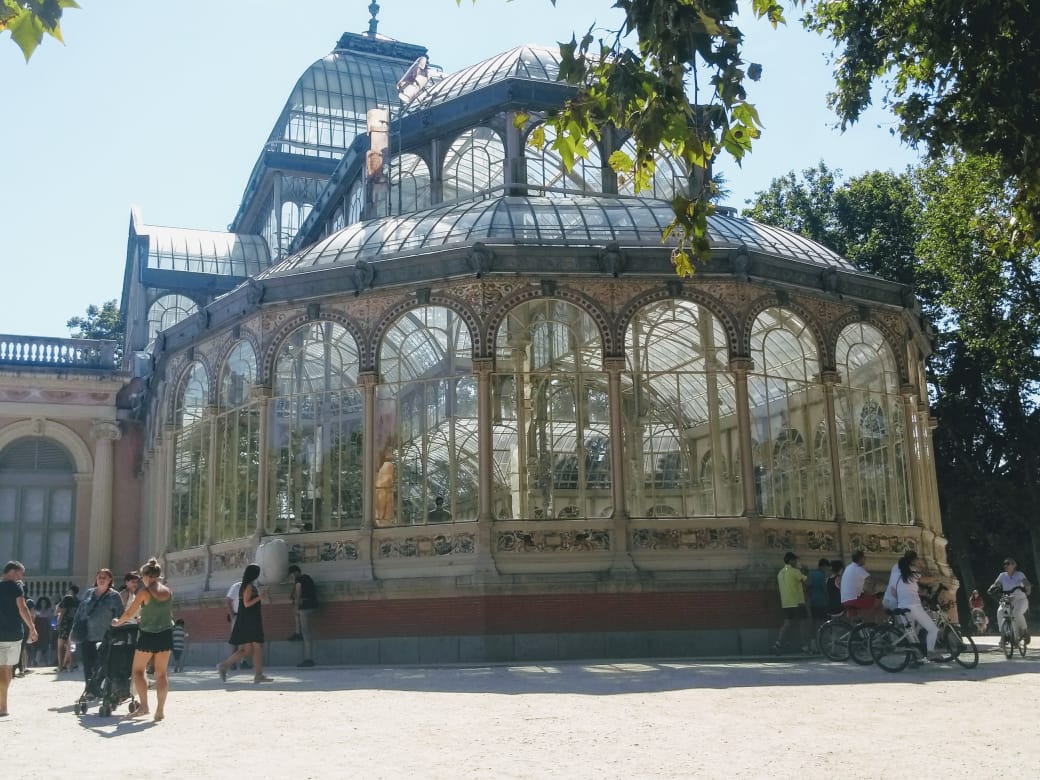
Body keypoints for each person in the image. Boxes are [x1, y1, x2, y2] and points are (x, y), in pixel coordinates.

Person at [111, 557, 174, 721]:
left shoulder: (144, 592)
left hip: (148, 635)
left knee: (138, 670)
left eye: (142, 577)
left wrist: (118, 622)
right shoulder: (168, 591)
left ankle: (144, 706)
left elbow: (129, 612)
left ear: (147, 576)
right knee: (161, 674)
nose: (141, 581)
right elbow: (163, 613)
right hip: (166, 634)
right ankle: (160, 710)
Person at [217, 564, 272, 683]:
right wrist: (260, 597)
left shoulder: (247, 585)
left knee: (246, 650)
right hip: (250, 621)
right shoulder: (248, 586)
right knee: (257, 647)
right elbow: (247, 603)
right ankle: (258, 675)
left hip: (247, 620)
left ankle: (224, 666)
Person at [73, 569, 124, 686]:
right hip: (86, 635)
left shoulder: (114, 596)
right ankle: (89, 689)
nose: (101, 579)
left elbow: (121, 615)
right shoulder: (88, 593)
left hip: (105, 638)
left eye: (104, 577)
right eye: (99, 577)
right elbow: (79, 612)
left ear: (110, 580)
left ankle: (100, 688)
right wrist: (73, 631)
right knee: (87, 665)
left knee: (102, 666)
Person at [1, 561, 38, 717]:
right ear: (12, 571)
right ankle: (3, 706)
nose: (21, 577)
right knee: (7, 669)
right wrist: (32, 627)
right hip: (14, 634)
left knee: (1, 669)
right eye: (20, 574)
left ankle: (2, 704)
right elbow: (22, 608)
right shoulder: (16, 587)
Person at [895, 554, 941, 661]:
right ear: (912, 562)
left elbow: (911, 589)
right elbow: (924, 580)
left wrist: (922, 593)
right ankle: (930, 652)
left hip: (902, 606)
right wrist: (937, 579)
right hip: (913, 606)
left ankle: (914, 658)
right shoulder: (912, 572)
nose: (919, 560)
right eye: (917, 559)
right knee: (933, 629)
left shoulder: (902, 577)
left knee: (911, 633)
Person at [772, 551, 808, 654]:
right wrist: (803, 570)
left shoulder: (780, 573)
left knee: (787, 624)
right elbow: (807, 581)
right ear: (791, 561)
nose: (796, 562)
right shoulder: (795, 571)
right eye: (795, 560)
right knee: (803, 624)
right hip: (797, 602)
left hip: (786, 603)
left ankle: (778, 643)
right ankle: (805, 646)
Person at [989, 557, 1031, 645]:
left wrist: (1027, 588)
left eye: (1008, 564)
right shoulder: (1002, 575)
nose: (1006, 566)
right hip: (1007, 599)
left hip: (1020, 600)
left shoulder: (1019, 574)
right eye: (1005, 564)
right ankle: (1003, 635)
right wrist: (991, 588)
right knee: (1000, 612)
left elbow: (1025, 582)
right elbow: (996, 584)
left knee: (1016, 613)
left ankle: (1024, 631)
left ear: (1014, 565)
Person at [287, 565, 318, 667]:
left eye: (291, 575)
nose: (291, 577)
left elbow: (297, 595)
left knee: (306, 633)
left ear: (295, 572)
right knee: (297, 615)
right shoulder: (308, 578)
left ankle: (308, 659)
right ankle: (297, 632)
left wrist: (296, 607)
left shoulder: (299, 581)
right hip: (313, 605)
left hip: (304, 607)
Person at [839, 550, 882, 621]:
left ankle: (857, 623)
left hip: (844, 599)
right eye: (864, 557)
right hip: (853, 600)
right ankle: (870, 623)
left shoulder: (848, 567)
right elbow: (871, 580)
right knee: (877, 602)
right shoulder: (858, 569)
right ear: (861, 558)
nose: (865, 559)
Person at [56, 584, 80, 672]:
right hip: (74, 624)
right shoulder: (78, 601)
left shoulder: (67, 598)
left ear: (71, 591)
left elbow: (60, 611)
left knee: (60, 646)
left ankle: (60, 666)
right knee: (70, 646)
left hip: (65, 623)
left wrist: (58, 624)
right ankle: (70, 665)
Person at [807, 557, 830, 648]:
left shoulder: (811, 574)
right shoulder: (822, 576)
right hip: (822, 602)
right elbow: (825, 589)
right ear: (823, 566)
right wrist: (829, 599)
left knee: (814, 622)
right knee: (822, 623)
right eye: (826, 567)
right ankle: (821, 643)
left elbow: (808, 586)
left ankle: (813, 644)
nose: (827, 570)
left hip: (813, 601)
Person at [32, 595, 54, 667]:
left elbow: (51, 620)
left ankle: (45, 661)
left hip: (46, 630)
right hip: (39, 630)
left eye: (44, 602)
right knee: (39, 646)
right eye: (42, 602)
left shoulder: (49, 611)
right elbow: (34, 620)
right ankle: (37, 661)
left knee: (46, 645)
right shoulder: (36, 611)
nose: (43, 603)